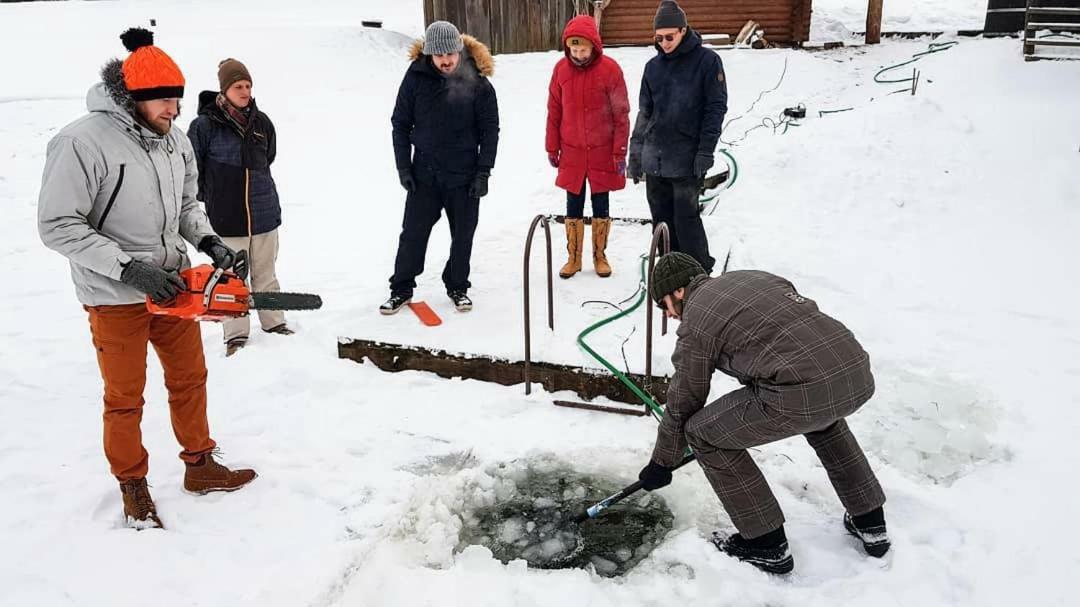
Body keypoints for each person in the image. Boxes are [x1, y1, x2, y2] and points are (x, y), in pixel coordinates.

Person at [37, 28, 257, 530]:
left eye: (177, 101)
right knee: (125, 397)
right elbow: (57, 225)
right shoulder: (79, 142)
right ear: (132, 98)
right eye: (163, 101)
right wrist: (129, 268)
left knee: (189, 379)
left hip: (173, 287)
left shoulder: (174, 141)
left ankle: (199, 464)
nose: (174, 111)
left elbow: (185, 206)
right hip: (114, 294)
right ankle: (132, 484)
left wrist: (210, 243)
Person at [638, 252, 889, 574]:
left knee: (702, 434)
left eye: (663, 305)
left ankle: (766, 543)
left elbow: (685, 397)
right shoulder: (755, 277)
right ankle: (870, 521)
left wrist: (662, 461)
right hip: (854, 372)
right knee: (822, 417)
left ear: (679, 292)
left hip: (800, 389)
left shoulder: (697, 320)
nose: (668, 315)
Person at [382, 21, 500, 314]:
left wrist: (484, 171)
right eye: (439, 56)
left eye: (451, 54)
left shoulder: (478, 81)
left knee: (463, 233)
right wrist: (404, 169)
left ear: (459, 51)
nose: (446, 61)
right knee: (412, 233)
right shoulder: (415, 78)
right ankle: (401, 288)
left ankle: (457, 285)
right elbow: (400, 124)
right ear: (429, 55)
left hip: (464, 174)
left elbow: (490, 130)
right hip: (424, 173)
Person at [188, 58, 292, 357]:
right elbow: (191, 168)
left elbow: (269, 157)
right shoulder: (204, 126)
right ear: (224, 90)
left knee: (266, 275)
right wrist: (212, 196)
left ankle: (274, 323)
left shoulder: (262, 122)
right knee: (231, 279)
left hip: (263, 214)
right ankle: (236, 334)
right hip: (227, 217)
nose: (245, 91)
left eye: (248, 85)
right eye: (238, 86)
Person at [627, 0, 727, 274]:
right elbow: (644, 113)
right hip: (656, 159)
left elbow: (715, 109)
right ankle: (671, 273)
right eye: (658, 38)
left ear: (683, 31)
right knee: (661, 221)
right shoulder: (652, 67)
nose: (664, 43)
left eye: (669, 37)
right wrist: (636, 155)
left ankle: (699, 273)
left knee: (686, 220)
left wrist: (705, 150)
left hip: (686, 157)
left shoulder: (707, 62)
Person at [545, 15, 630, 279]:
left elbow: (621, 114)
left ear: (594, 45)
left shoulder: (610, 70)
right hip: (571, 150)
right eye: (573, 49)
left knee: (600, 202)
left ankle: (600, 256)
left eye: (583, 49)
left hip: (602, 149)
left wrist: (619, 151)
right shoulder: (561, 70)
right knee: (573, 202)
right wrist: (551, 146)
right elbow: (554, 110)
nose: (578, 54)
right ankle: (573, 258)